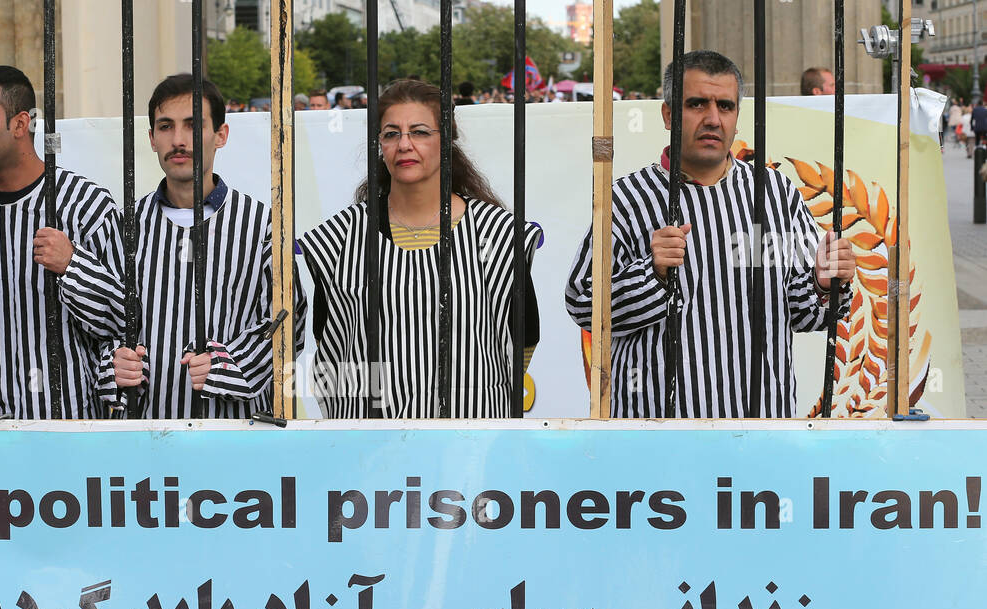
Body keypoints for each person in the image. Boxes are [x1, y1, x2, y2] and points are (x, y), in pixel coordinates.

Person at [566, 50, 857, 418]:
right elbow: (582, 302)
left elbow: (802, 312)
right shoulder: (627, 198)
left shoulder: (775, 194)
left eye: (725, 106)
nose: (713, 119)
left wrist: (823, 282)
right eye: (697, 104)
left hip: (760, 419)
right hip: (660, 425)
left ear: (737, 116)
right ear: (669, 114)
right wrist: (650, 273)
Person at [297, 78, 542, 419]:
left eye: (421, 132)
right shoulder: (341, 239)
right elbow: (328, 341)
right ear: (379, 145)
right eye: (391, 133)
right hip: (369, 447)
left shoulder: (500, 235)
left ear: (447, 142)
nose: (405, 144)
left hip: (473, 441)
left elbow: (525, 338)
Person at [0, 66, 129, 419]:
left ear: (19, 124)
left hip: (65, 421)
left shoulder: (87, 204)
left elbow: (122, 319)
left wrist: (73, 266)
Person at [104, 74, 306, 419]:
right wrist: (113, 365)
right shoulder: (124, 226)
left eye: (193, 125)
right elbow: (99, 322)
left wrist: (227, 363)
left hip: (233, 432)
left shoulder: (261, 224)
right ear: (152, 138)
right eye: (166, 127)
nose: (179, 140)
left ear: (221, 135)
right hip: (143, 432)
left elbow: (289, 320)